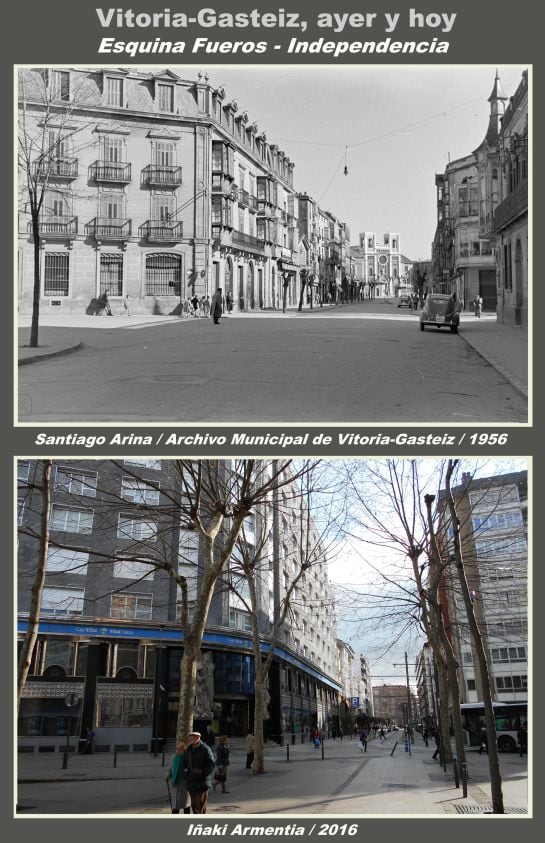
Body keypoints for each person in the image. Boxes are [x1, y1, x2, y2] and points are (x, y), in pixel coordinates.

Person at [183, 730, 216, 814]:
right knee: (194, 805)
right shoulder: (188, 749)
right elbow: (184, 763)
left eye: (193, 737)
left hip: (202, 782)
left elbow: (211, 764)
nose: (191, 739)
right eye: (190, 737)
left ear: (198, 738)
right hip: (191, 781)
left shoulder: (205, 749)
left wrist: (203, 774)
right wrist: (186, 773)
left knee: (200, 805)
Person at [165, 739, 191, 814]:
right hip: (175, 785)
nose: (178, 750)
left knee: (186, 805)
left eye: (180, 749)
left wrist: (187, 772)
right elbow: (170, 769)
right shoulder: (174, 757)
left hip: (184, 785)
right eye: (177, 749)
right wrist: (167, 776)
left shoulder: (186, 758)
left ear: (184, 750)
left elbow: (190, 769)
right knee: (175, 805)